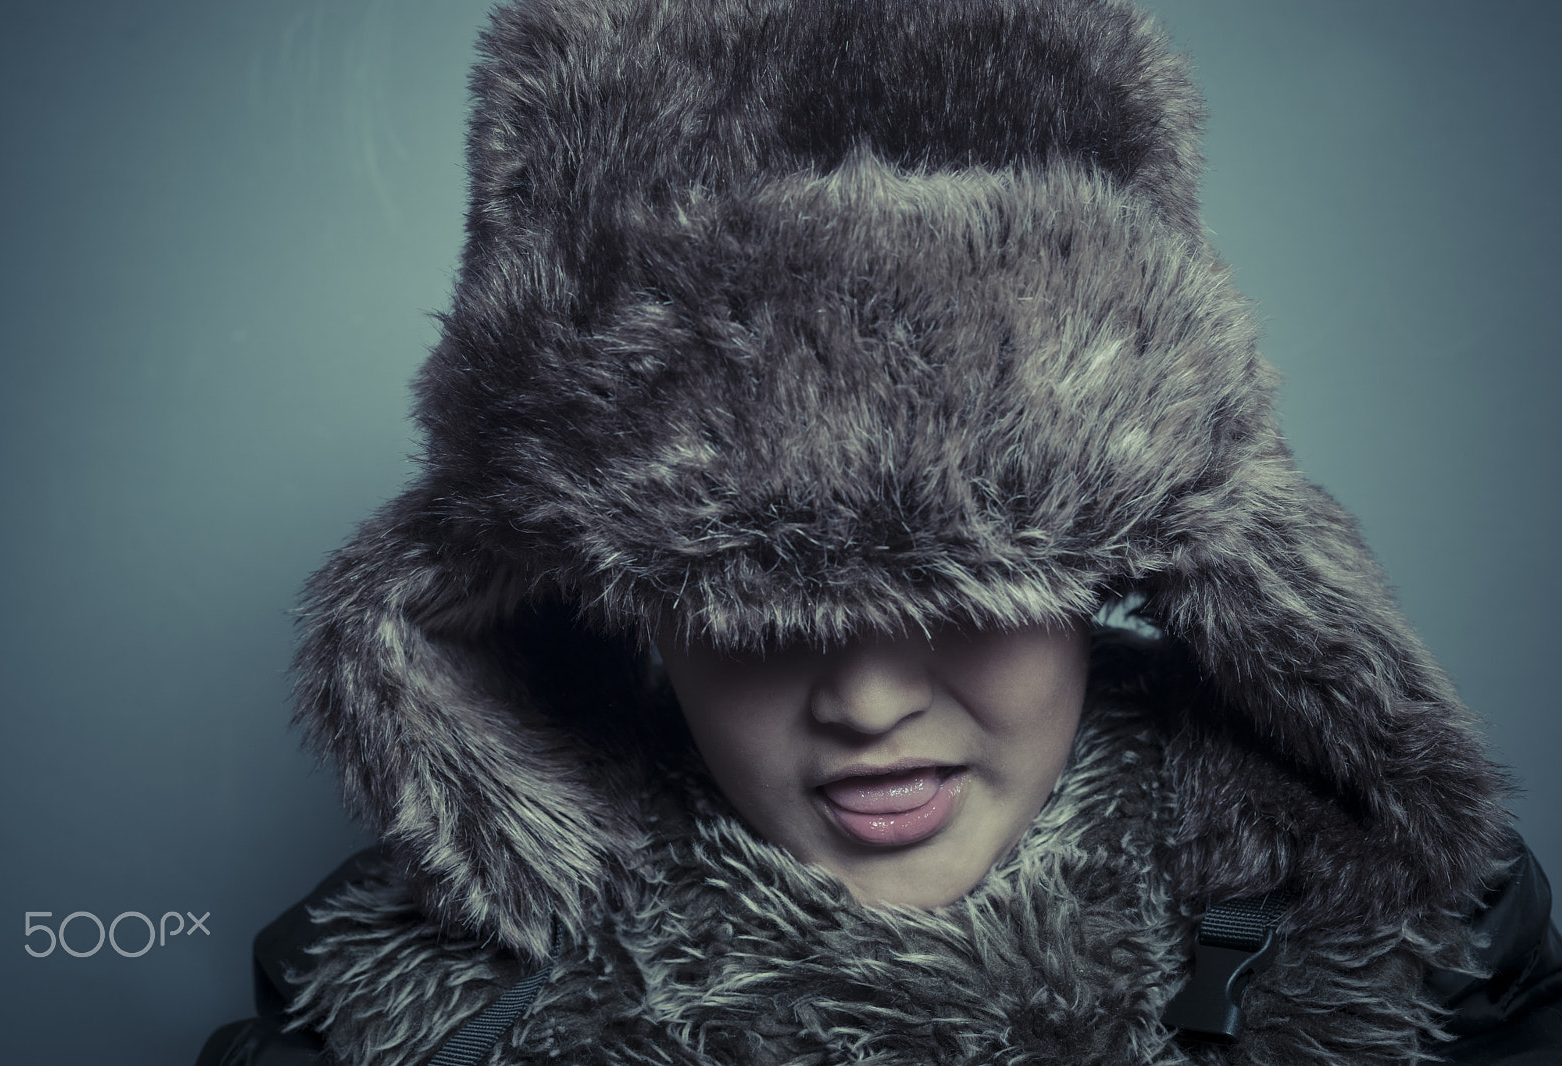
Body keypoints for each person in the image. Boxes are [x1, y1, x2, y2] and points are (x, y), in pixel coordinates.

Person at [199, 0, 1562, 1062]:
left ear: (1115, 561)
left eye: (965, 589)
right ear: (615, 598)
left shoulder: (1417, 935)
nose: (867, 700)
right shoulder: (387, 1013)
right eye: (753, 610)